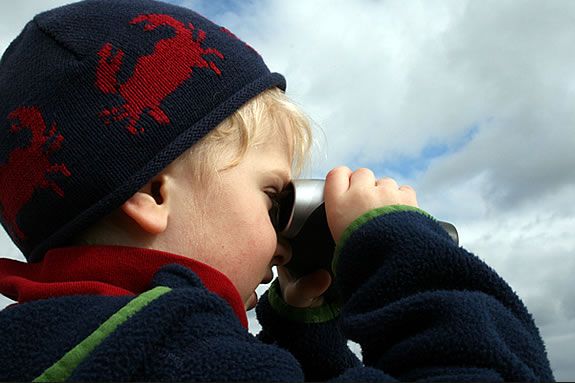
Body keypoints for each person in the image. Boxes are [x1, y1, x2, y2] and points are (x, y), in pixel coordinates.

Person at [0, 0, 554, 381]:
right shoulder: (165, 347)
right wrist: (406, 254)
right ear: (152, 194)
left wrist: (302, 331)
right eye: (273, 199)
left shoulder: (82, 341)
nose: (283, 243)